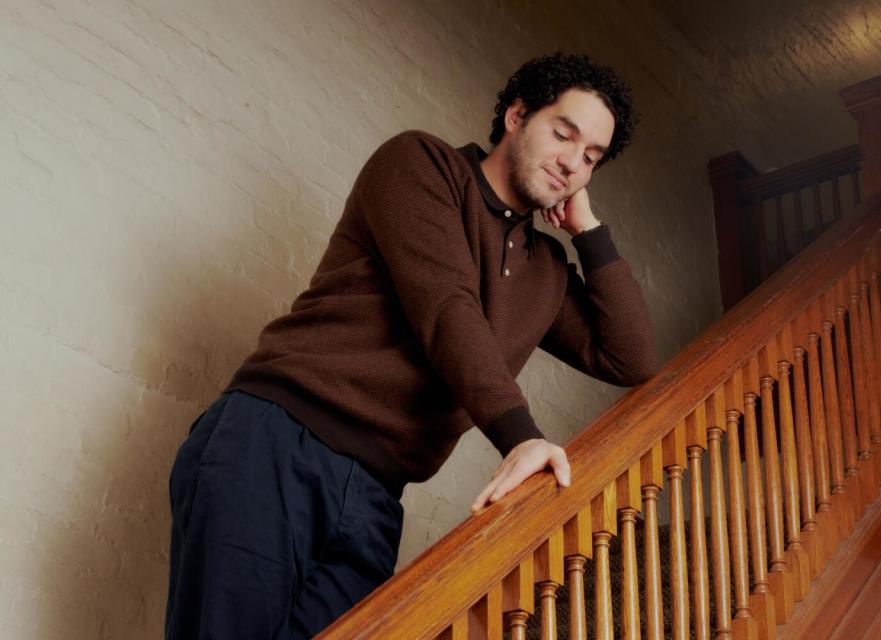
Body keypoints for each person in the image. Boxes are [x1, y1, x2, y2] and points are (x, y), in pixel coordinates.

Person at [164, 52, 657, 640]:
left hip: (376, 497)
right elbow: (447, 308)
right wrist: (522, 438)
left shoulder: (544, 268)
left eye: (591, 157)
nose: (572, 163)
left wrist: (589, 231)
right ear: (518, 115)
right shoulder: (421, 165)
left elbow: (630, 357)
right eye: (564, 133)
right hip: (278, 441)